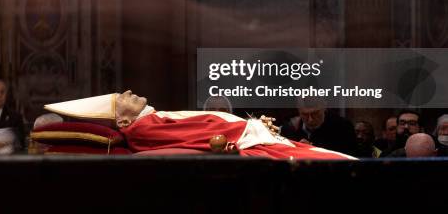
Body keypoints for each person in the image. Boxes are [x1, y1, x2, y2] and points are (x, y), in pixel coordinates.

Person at [42, 91, 356, 160]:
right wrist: (246, 132)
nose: (129, 93)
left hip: (257, 137)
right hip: (253, 145)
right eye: (121, 97)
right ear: (122, 120)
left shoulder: (151, 116)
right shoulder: (141, 127)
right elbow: (197, 138)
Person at [279, 101, 357, 155]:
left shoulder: (343, 127)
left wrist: (314, 149)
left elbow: (350, 158)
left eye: (315, 113)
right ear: (298, 110)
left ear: (324, 107)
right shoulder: (289, 129)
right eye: (305, 114)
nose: (310, 119)